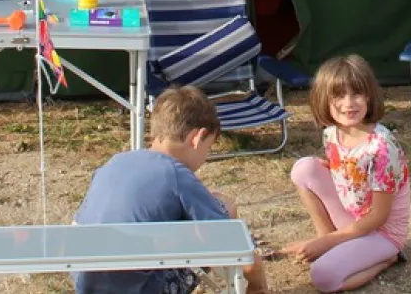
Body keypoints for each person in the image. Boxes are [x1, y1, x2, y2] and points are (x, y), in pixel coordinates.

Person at [70, 86, 269, 294]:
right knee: (224, 207)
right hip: (143, 288)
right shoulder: (177, 174)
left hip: (87, 282)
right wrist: (257, 283)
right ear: (197, 137)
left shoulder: (116, 162)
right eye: (208, 147)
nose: (206, 156)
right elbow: (229, 238)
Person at [284, 55, 410, 292]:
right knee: (304, 167)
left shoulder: (381, 148)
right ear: (324, 100)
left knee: (323, 277)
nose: (349, 103)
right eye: (339, 96)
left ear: (369, 96)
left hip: (381, 232)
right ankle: (331, 241)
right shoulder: (331, 133)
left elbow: (378, 218)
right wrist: (327, 239)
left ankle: (387, 259)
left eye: (357, 94)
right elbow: (341, 173)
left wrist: (326, 242)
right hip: (353, 217)